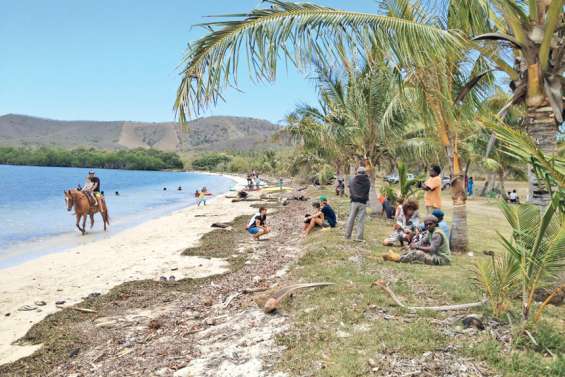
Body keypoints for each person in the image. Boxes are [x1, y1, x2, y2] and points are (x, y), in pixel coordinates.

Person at [383, 215, 450, 265]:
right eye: (426, 225)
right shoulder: (430, 232)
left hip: (441, 259)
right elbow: (422, 241)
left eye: (430, 224)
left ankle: (397, 258)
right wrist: (410, 246)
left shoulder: (437, 234)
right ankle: (398, 256)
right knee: (414, 249)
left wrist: (416, 247)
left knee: (418, 253)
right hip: (434, 255)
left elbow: (432, 249)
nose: (428, 226)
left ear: (436, 224)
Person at [345, 166, 371, 241]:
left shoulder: (353, 179)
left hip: (354, 201)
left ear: (358, 172)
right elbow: (367, 190)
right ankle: (359, 237)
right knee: (361, 220)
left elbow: (349, 187)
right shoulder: (367, 180)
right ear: (364, 172)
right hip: (363, 202)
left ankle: (347, 236)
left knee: (351, 218)